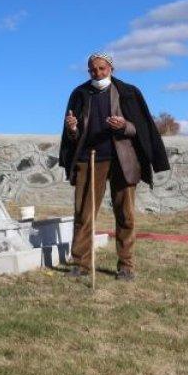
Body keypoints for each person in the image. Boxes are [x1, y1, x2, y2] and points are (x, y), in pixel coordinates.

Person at [58, 52, 170, 281]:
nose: (97, 73)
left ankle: (126, 266)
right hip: (89, 159)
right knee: (84, 214)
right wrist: (72, 128)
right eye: (93, 70)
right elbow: (74, 134)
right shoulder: (79, 94)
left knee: (126, 215)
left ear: (111, 68)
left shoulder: (128, 92)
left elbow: (140, 128)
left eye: (102, 69)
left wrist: (123, 125)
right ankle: (80, 263)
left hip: (123, 160)